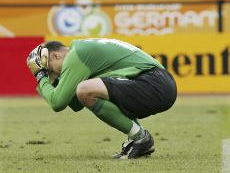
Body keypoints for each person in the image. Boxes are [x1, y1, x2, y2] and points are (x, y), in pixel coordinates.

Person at [26, 38, 177, 159]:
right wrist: (53, 80)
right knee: (87, 91)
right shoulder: (81, 49)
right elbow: (77, 104)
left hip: (155, 83)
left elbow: (57, 103)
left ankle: (141, 138)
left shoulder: (75, 56)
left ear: (55, 56)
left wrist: (41, 77)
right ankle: (139, 139)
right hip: (159, 83)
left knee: (85, 89)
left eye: (51, 70)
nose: (56, 75)